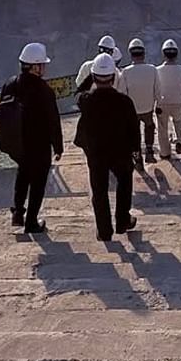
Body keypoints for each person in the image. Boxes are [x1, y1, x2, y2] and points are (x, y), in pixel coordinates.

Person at [74, 53, 140, 242]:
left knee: (99, 190)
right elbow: (134, 129)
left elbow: (78, 92)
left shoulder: (87, 101)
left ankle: (104, 231)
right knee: (125, 184)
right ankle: (122, 221)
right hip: (121, 151)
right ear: (113, 77)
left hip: (96, 153)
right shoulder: (124, 102)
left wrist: (92, 75)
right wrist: (136, 150)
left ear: (94, 77)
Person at [1, 42, 63, 234]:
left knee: (23, 174)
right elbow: (53, 120)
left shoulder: (10, 84)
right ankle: (32, 222)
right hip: (39, 146)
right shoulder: (44, 90)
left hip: (18, 144)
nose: (44, 68)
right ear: (35, 67)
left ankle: (18, 213)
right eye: (42, 64)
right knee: (38, 183)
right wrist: (58, 146)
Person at [122, 37, 160, 165]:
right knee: (149, 127)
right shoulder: (152, 69)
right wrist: (158, 103)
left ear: (131, 54)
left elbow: (123, 94)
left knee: (134, 134)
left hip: (132, 111)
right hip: (148, 108)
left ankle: (137, 158)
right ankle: (149, 152)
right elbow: (157, 90)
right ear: (143, 54)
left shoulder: (126, 72)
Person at [155, 38, 181, 158]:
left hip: (162, 103)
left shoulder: (157, 70)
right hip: (177, 102)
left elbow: (155, 87)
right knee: (178, 123)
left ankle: (165, 152)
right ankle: (180, 141)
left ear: (163, 54)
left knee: (162, 128)